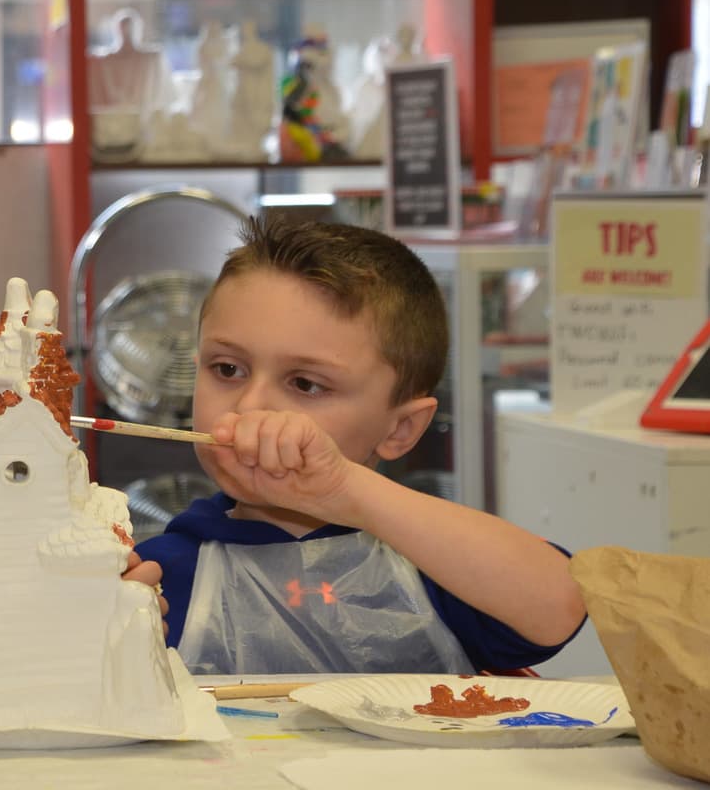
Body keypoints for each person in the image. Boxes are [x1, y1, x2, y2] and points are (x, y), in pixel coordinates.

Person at [137, 214, 586, 674]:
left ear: (400, 430)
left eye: (306, 384)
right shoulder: (155, 575)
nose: (249, 406)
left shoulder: (439, 565)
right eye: (227, 369)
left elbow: (563, 602)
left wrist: (342, 489)